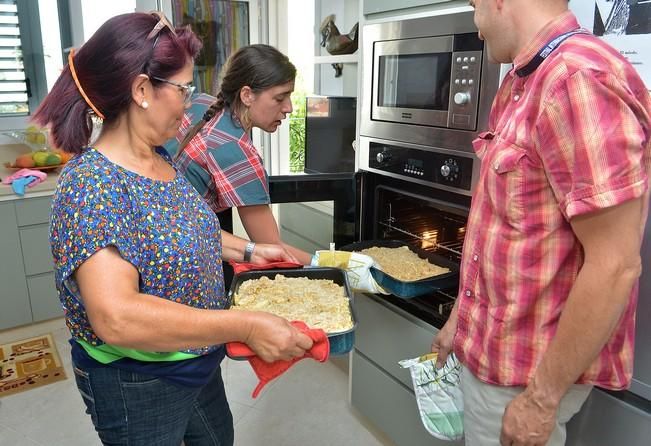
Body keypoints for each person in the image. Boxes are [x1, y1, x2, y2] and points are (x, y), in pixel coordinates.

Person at [33, 12, 313, 446]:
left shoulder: (158, 159)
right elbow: (117, 317)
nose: (189, 105)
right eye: (184, 90)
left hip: (195, 359)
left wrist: (248, 252)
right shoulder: (93, 184)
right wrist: (246, 326)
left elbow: (173, 231)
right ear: (142, 90)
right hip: (137, 381)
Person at [431, 1, 651, 445]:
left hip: (524, 372)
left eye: (474, 6)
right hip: (494, 349)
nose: (476, 26)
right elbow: (503, 227)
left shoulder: (577, 80)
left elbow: (616, 265)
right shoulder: (522, 79)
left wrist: (541, 400)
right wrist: (461, 319)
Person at [164, 44, 313, 288]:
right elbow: (272, 249)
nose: (289, 108)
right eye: (279, 97)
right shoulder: (238, 153)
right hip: (181, 261)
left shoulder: (201, 103)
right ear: (246, 95)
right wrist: (334, 264)